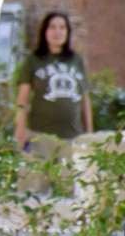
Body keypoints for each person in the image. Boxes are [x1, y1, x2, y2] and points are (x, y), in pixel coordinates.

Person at [15, 11, 94, 149]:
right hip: (40, 137)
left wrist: (89, 133)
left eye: (62, 27)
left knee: (72, 171)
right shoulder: (33, 60)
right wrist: (20, 130)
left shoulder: (76, 60)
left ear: (68, 32)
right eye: (52, 27)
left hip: (73, 138)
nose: (57, 32)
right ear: (45, 31)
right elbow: (22, 100)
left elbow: (85, 100)